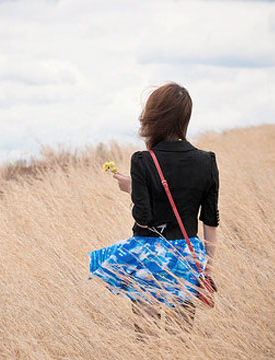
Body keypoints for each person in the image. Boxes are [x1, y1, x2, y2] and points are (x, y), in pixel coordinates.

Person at [88, 82, 219, 337]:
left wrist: (134, 189)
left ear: (153, 117)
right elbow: (210, 220)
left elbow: (144, 218)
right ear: (185, 118)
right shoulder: (207, 161)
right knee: (180, 337)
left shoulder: (143, 160)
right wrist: (207, 269)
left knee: (147, 338)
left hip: (148, 256)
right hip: (187, 256)